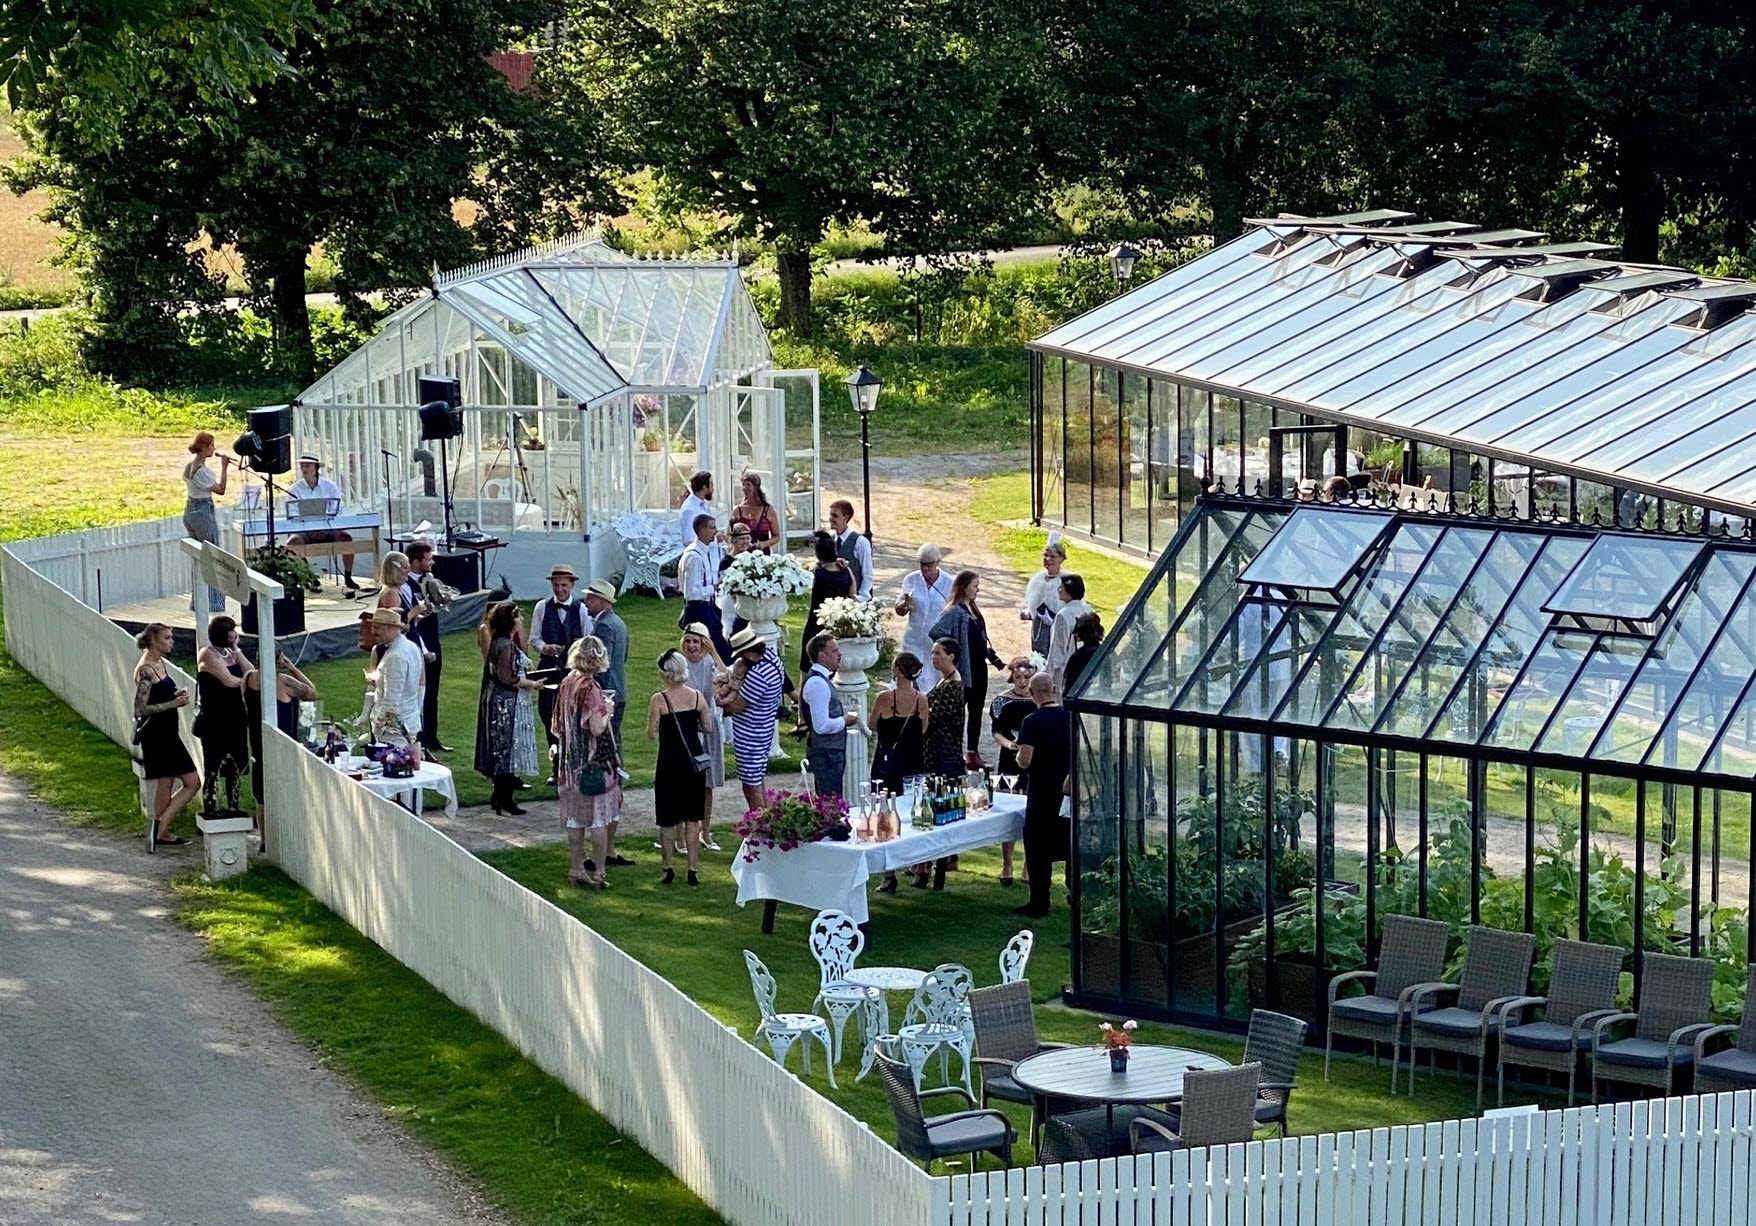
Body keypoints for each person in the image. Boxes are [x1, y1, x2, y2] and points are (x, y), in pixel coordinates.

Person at [553, 635, 621, 889]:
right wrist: (608, 712)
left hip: (570, 761)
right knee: (598, 819)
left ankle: (576, 867)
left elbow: (558, 724)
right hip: (592, 762)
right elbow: (595, 726)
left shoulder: (567, 682)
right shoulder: (590, 688)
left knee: (575, 818)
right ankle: (600, 872)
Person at [647, 648, 713, 885]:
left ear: (666, 674)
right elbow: (708, 727)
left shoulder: (659, 700)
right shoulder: (696, 696)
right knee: (692, 818)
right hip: (693, 763)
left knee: (666, 819)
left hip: (669, 763)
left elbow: (651, 733)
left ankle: (667, 867)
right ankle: (692, 868)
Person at [928, 570, 1005, 769]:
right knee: (957, 712)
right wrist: (954, 650)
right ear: (963, 587)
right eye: (974, 586)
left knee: (977, 711)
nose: (977, 590)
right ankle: (954, 752)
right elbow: (936, 631)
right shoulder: (954, 611)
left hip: (979, 667)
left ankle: (972, 751)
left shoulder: (972, 607)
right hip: (966, 669)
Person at [133, 623, 199, 850]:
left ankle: (161, 830)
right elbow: (140, 709)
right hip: (157, 734)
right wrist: (173, 703)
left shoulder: (161, 664)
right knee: (192, 781)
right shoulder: (146, 671)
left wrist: (177, 694)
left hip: (169, 731)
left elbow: (160, 695)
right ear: (153, 640)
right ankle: (160, 828)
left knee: (166, 781)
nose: (171, 642)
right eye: (167, 638)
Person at [1014, 671, 1073, 918]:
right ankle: (1075, 895)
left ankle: (1040, 901)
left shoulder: (1032, 722)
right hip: (1067, 791)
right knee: (1068, 842)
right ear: (1054, 690)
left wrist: (1016, 755)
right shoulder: (1070, 718)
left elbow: (1025, 760)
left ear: (1032, 693)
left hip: (1041, 791)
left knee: (1037, 846)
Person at [871, 651, 927, 894]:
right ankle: (920, 866)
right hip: (912, 762)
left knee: (885, 814)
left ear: (896, 671)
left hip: (887, 763)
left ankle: (889, 874)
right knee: (914, 812)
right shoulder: (921, 700)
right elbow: (924, 728)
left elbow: (873, 724)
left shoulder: (884, 698)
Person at [476, 601, 540, 815]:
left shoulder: (498, 641)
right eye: (518, 617)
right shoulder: (505, 645)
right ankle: (504, 798)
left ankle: (500, 796)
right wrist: (534, 684)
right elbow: (509, 678)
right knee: (505, 749)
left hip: (497, 699)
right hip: (504, 703)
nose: (521, 620)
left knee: (502, 749)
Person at [246, 646, 317, 832]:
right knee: (286, 791)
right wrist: (293, 668)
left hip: (258, 743)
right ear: (279, 660)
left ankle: (264, 839)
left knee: (261, 795)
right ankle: (285, 832)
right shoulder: (284, 682)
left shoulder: (247, 679)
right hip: (284, 745)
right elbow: (312, 693)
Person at [195, 614, 254, 817]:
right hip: (215, 719)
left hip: (235, 717)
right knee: (213, 765)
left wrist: (237, 650)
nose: (233, 634)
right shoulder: (207, 654)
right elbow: (229, 681)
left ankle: (233, 806)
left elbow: (250, 671)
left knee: (234, 765)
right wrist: (247, 682)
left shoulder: (231, 653)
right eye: (230, 631)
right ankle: (211, 808)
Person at [720, 627, 785, 811]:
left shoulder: (759, 674)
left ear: (749, 652)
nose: (740, 658)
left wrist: (720, 701)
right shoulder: (773, 658)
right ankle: (765, 820)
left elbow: (736, 706)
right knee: (757, 777)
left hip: (751, 733)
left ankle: (760, 825)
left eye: (742, 654)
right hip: (763, 728)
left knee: (751, 784)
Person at [988, 655, 1037, 887]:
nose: (1023, 682)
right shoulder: (1002, 702)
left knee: (1032, 813)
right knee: (1008, 811)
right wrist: (1009, 744)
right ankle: (1007, 862)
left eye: (1027, 677)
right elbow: (996, 730)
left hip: (1033, 762)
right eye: (1018, 677)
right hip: (1009, 761)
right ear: (1012, 678)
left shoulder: (1038, 702)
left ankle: (1029, 864)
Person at [531, 563, 586, 767]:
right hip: (548, 671)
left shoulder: (581, 609)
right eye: (556, 585)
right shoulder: (542, 607)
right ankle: (555, 767)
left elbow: (588, 640)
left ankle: (572, 764)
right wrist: (545, 648)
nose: (560, 590)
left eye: (564, 585)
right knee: (548, 718)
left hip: (572, 672)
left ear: (572, 585)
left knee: (572, 719)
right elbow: (534, 639)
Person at [679, 623, 728, 850]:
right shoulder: (679, 664)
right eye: (688, 641)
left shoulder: (709, 663)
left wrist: (714, 652)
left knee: (707, 783)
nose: (691, 646)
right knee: (685, 784)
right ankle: (682, 835)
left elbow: (726, 677)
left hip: (708, 728)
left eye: (696, 641)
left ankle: (705, 832)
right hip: (686, 728)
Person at [284, 453, 359, 592]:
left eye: (308, 465)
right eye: (302, 465)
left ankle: (348, 577)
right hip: (305, 531)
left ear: (316, 467)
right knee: (292, 544)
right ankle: (308, 576)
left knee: (346, 539)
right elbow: (292, 511)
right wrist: (309, 528)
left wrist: (324, 527)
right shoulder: (295, 489)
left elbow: (337, 507)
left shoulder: (329, 486)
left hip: (328, 529)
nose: (304, 469)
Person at [401, 541, 448, 753]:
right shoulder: (405, 586)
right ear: (415, 562)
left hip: (432, 640)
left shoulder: (429, 580)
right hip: (416, 644)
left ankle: (432, 737)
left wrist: (440, 600)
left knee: (433, 691)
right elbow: (408, 618)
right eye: (428, 559)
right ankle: (419, 741)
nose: (432, 562)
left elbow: (435, 605)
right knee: (418, 692)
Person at [801, 634, 859, 798]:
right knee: (830, 801)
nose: (839, 654)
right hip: (826, 754)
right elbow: (821, 726)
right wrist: (844, 721)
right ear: (822, 656)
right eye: (834, 651)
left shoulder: (821, 680)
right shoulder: (818, 683)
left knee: (832, 800)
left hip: (831, 751)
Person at [181, 431, 231, 613]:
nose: (213, 449)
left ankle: (198, 601)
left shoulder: (189, 466)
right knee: (212, 555)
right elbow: (221, 490)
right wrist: (224, 468)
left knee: (199, 557)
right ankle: (214, 602)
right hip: (202, 511)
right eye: (210, 446)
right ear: (202, 448)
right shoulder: (202, 471)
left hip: (190, 510)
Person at [368, 607, 425, 759]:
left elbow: (391, 700)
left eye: (377, 627)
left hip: (394, 731)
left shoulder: (395, 656)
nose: (373, 632)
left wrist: (377, 723)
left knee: (393, 773)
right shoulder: (411, 647)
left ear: (391, 628)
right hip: (409, 722)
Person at [582, 579, 629, 761]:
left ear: (601, 600)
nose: (586, 602)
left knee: (605, 741)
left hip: (607, 692)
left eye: (589, 598)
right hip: (619, 690)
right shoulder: (619, 622)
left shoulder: (603, 625)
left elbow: (600, 663)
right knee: (614, 739)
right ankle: (616, 780)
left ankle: (610, 781)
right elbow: (623, 656)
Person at [894, 543, 953, 684]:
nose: (926, 569)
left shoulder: (949, 582)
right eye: (922, 564)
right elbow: (899, 610)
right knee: (910, 678)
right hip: (913, 640)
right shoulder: (911, 579)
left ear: (937, 562)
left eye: (930, 565)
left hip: (935, 644)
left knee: (934, 681)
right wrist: (905, 604)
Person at [799, 530, 853, 673]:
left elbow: (807, 575)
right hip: (837, 624)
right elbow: (853, 596)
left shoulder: (818, 573)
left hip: (815, 624)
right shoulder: (847, 572)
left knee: (807, 667)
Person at [679, 514, 731, 661]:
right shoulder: (694, 556)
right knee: (716, 650)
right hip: (699, 610)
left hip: (708, 607)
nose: (716, 531)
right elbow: (692, 593)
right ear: (701, 531)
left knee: (715, 650)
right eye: (712, 528)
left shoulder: (704, 551)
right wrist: (714, 587)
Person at [924, 638, 966, 777]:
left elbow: (936, 716)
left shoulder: (953, 686)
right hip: (935, 750)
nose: (933, 657)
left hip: (945, 753)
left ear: (951, 657)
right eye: (932, 653)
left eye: (938, 653)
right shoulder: (943, 679)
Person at [1020, 535, 1067, 657]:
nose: (1048, 559)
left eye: (1053, 556)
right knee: (1039, 656)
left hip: (1059, 627)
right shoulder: (1037, 579)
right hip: (1039, 626)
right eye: (1046, 556)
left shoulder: (1066, 580)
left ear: (1061, 559)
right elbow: (1031, 601)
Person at [1047, 573, 1093, 692]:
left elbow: (1057, 648)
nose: (1058, 590)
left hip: (1066, 669)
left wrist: (1048, 674)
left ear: (1068, 591)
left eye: (1061, 587)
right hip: (1086, 666)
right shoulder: (1088, 610)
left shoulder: (1063, 615)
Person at [828, 498, 873, 601]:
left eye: (835, 516)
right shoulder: (829, 541)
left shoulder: (860, 542)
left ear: (845, 518)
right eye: (830, 515)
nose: (831, 519)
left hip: (853, 600)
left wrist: (860, 598)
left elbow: (867, 574)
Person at [730, 471, 781, 553]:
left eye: (748, 485)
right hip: (742, 557)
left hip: (763, 557)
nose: (745, 488)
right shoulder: (738, 510)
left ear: (756, 487)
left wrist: (764, 544)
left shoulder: (768, 510)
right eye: (743, 484)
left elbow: (776, 536)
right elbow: (729, 534)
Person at [717, 522, 753, 634]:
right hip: (731, 604)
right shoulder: (726, 561)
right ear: (734, 540)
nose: (746, 542)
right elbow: (722, 584)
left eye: (747, 538)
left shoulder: (751, 558)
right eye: (742, 538)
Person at [1062, 611, 1105, 697]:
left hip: (1082, 703)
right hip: (1103, 700)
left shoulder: (1077, 658)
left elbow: (1069, 689)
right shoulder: (1105, 653)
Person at [677, 469, 715, 545]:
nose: (713, 489)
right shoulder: (689, 509)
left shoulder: (702, 504)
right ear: (704, 488)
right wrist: (712, 538)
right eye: (711, 485)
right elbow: (688, 539)